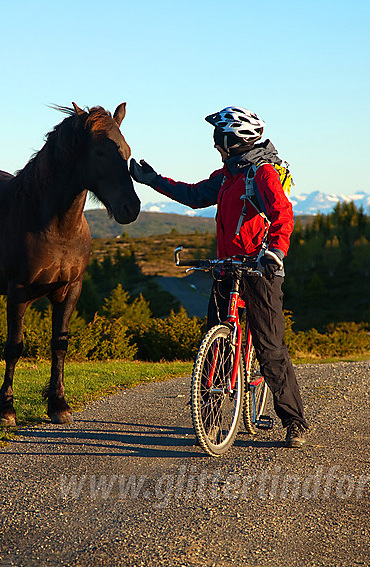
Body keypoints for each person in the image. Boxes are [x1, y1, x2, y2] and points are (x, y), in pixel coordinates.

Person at [129, 106, 309, 448]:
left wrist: (275, 252)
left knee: (270, 348)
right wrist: (153, 180)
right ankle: (209, 422)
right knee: (215, 347)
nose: (215, 145)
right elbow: (195, 196)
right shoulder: (228, 174)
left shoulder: (263, 172)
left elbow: (283, 215)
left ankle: (294, 422)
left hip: (260, 269)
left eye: (218, 139)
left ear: (232, 139)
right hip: (229, 267)